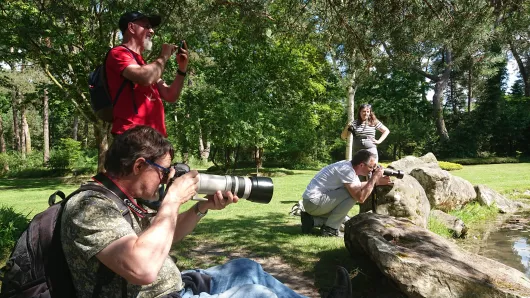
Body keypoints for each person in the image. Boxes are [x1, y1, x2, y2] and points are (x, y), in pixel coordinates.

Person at [61, 125, 352, 298]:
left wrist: (201, 207)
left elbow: (163, 237)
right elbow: (143, 269)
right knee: (255, 295)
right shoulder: (90, 207)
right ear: (139, 166)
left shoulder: (123, 199)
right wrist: (172, 200)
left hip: (178, 285)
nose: (166, 179)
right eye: (163, 171)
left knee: (245, 268)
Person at [106, 11, 189, 137]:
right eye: (146, 26)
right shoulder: (118, 53)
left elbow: (170, 95)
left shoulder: (144, 65)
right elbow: (146, 78)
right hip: (133, 136)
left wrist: (182, 69)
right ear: (131, 27)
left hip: (155, 139)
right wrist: (164, 56)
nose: (152, 31)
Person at [300, 150, 392, 237]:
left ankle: (312, 220)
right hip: (314, 202)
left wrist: (378, 182)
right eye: (371, 167)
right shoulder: (347, 171)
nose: (372, 170)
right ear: (361, 165)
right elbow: (361, 198)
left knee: (346, 220)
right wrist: (374, 178)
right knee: (352, 195)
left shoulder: (348, 167)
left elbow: (358, 185)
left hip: (313, 202)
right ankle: (330, 229)